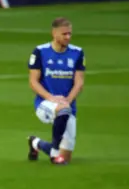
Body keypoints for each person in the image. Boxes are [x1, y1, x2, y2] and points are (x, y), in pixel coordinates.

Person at [27, 17, 86, 165]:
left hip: (67, 104)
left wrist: (68, 100)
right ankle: (54, 153)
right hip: (45, 103)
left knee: (66, 157)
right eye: (64, 34)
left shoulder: (77, 53)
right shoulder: (40, 51)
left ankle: (36, 143)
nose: (68, 37)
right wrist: (51, 98)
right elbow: (33, 82)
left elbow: (79, 82)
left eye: (70, 34)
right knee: (63, 111)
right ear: (54, 33)